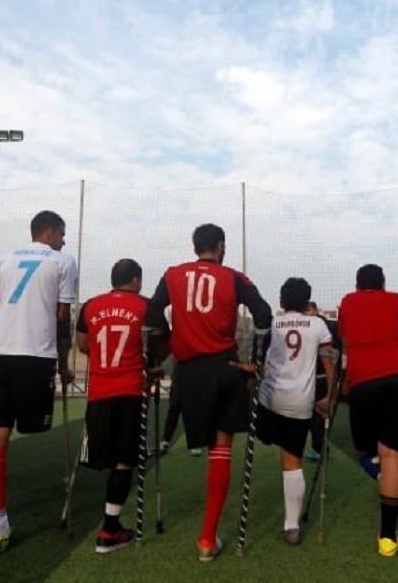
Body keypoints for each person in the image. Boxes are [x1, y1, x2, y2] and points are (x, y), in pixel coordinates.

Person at [145, 223, 272, 562]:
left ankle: (206, 536)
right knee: (221, 448)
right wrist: (256, 359)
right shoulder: (233, 276)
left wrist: (168, 345)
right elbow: (263, 314)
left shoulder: (172, 274)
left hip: (188, 371)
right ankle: (206, 539)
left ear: (195, 246)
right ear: (220, 245)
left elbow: (152, 317)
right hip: (224, 367)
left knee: (203, 445)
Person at [0, 210, 77, 553]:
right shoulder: (63, 261)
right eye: (62, 233)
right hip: (36, 357)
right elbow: (62, 319)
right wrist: (64, 364)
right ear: (49, 232)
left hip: (0, 357)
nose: (64, 240)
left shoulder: (3, 261)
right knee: (35, 429)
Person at [75, 258, 158, 553]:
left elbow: (83, 345)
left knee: (106, 460)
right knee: (124, 461)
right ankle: (110, 530)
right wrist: (154, 368)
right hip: (130, 391)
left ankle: (110, 527)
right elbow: (161, 344)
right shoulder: (145, 306)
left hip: (99, 392)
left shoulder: (90, 306)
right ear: (135, 279)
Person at [338, 264, 398, 557]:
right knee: (393, 454)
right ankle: (387, 537)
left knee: (366, 452)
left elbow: (346, 340)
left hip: (364, 381)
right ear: (382, 283)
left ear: (357, 285)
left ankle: (386, 475)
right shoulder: (396, 300)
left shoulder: (347, 302)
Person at [256, 279, 335, 545]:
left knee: (248, 431)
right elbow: (329, 361)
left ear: (281, 301)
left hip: (269, 401)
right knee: (292, 461)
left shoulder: (273, 325)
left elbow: (263, 362)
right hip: (300, 402)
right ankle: (291, 526)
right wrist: (329, 396)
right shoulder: (318, 325)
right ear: (306, 302)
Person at [303, 301, 341, 461]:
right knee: (314, 415)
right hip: (316, 375)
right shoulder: (324, 326)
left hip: (321, 375)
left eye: (307, 311)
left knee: (318, 415)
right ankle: (318, 448)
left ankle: (320, 449)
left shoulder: (324, 326)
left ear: (314, 310)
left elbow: (335, 350)